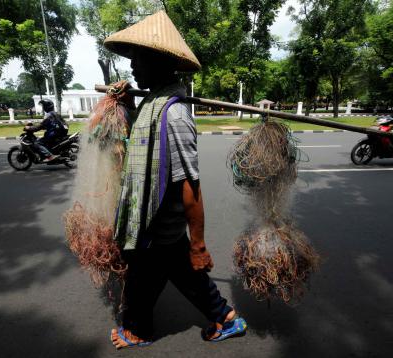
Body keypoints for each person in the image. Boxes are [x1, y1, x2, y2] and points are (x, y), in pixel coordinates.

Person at [103, 11, 247, 349]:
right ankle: (226, 318)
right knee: (179, 271)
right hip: (159, 225)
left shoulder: (175, 114)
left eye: (139, 58)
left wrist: (199, 245)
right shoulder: (154, 102)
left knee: (143, 276)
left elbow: (191, 184)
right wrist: (125, 102)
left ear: (158, 60)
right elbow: (143, 142)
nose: (133, 67)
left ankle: (138, 330)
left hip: (158, 223)